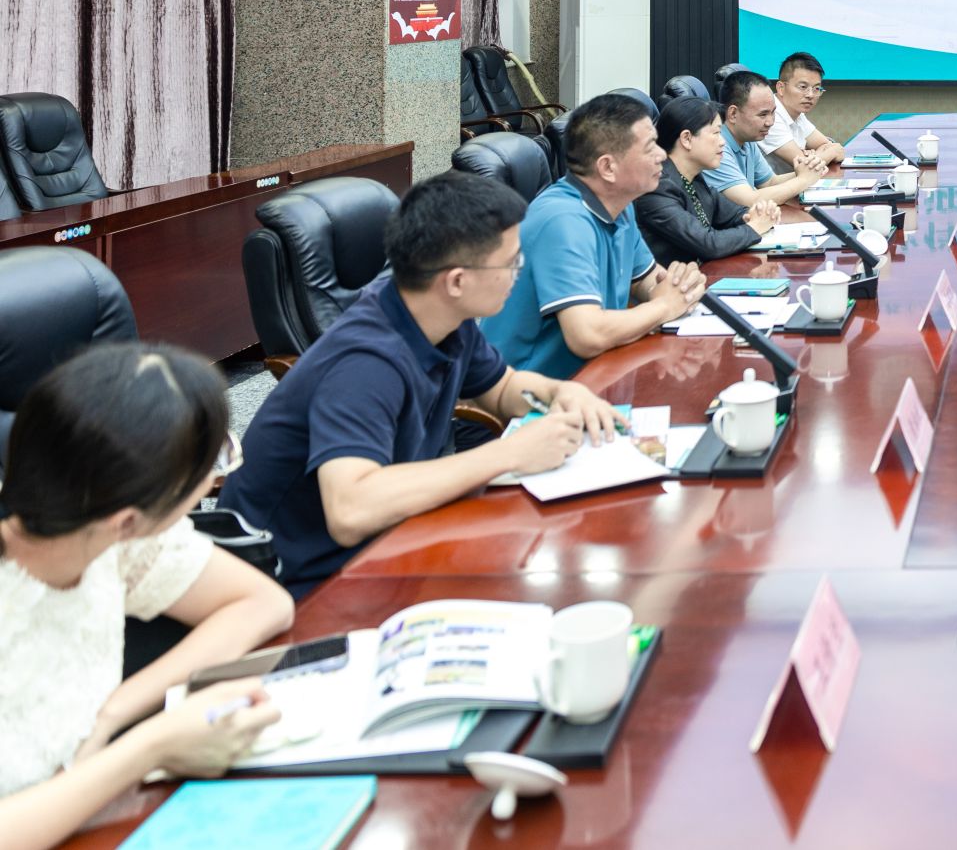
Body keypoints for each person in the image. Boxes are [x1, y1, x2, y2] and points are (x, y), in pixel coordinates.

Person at [222, 171, 631, 593]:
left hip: (387, 540)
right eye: (511, 263)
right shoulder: (365, 363)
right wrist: (509, 453)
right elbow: (351, 512)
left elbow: (502, 389)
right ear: (456, 280)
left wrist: (561, 391)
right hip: (297, 582)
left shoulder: (444, 317)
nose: (518, 273)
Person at [1, 344, 295, 845]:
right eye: (214, 463)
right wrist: (150, 745)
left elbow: (263, 605)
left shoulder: (109, 536)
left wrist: (111, 714)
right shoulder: (106, 531)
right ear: (127, 521)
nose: (217, 477)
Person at [480, 92, 707, 380]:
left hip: (597, 376)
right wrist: (664, 306)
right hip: (524, 394)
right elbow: (587, 335)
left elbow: (649, 282)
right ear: (608, 167)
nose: (662, 154)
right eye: (650, 147)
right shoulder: (562, 221)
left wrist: (683, 286)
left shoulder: (619, 207)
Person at [639, 95, 784, 265]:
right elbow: (708, 244)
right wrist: (756, 227)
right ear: (686, 139)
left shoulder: (694, 178)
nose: (722, 142)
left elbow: (732, 214)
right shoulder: (657, 187)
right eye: (716, 133)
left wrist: (756, 214)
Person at [704, 70, 830, 209]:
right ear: (733, 114)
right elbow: (750, 200)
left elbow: (770, 182)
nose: (770, 122)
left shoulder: (747, 138)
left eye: (773, 112)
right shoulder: (715, 146)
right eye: (763, 115)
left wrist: (807, 170)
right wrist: (803, 180)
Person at [762, 52, 845, 169]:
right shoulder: (769, 116)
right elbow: (805, 167)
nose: (810, 95)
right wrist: (830, 153)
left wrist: (815, 156)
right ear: (781, 88)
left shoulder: (796, 112)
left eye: (816, 88)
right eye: (803, 87)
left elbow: (826, 144)